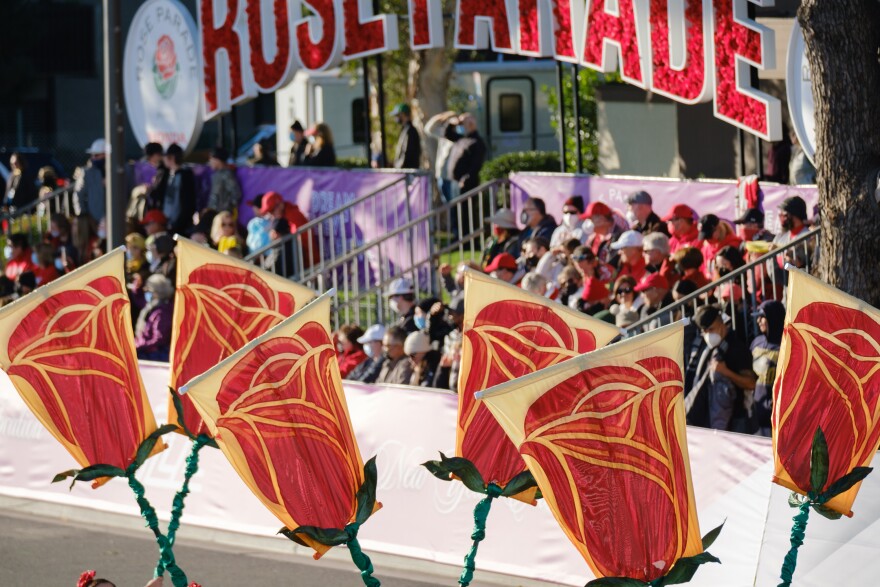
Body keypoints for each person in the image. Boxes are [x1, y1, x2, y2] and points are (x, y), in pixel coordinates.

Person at [687, 305, 756, 432]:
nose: (708, 335)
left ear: (721, 324)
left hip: (737, 420)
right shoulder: (707, 349)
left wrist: (726, 372)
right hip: (711, 420)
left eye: (711, 329)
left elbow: (751, 383)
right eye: (705, 331)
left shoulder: (737, 348)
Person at [750, 300, 785, 436]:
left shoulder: (786, 345)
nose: (758, 321)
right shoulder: (756, 342)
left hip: (776, 421)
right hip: (755, 417)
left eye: (762, 317)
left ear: (773, 317)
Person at [260, 191, 317, 268]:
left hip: (309, 265)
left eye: (272, 210)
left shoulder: (293, 217)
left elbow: (304, 244)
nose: (271, 215)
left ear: (280, 205)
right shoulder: (284, 217)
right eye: (269, 212)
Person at [73, 139, 107, 262]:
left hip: (111, 218)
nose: (93, 158)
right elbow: (78, 194)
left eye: (97, 155)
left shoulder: (117, 170)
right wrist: (83, 213)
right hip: (92, 218)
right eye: (92, 155)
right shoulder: (86, 172)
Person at [134, 274, 175, 361]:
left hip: (154, 355)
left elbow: (158, 340)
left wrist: (138, 346)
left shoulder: (162, 313)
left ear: (157, 292)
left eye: (148, 289)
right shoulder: (152, 307)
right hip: (147, 350)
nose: (145, 291)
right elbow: (138, 300)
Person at [424, 111, 461, 204]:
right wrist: (441, 117)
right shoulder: (444, 134)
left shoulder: (458, 135)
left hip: (451, 176)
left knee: (453, 203)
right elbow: (428, 129)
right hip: (441, 174)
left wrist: (455, 121)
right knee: (447, 203)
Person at [447, 112, 486, 194]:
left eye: (462, 123)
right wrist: (452, 124)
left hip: (465, 185)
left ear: (471, 124)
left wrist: (466, 179)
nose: (460, 126)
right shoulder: (462, 138)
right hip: (455, 182)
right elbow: (447, 134)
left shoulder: (476, 142)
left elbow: (476, 165)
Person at [163, 144, 196, 236]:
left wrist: (179, 222)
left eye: (165, 157)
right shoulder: (168, 174)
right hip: (168, 221)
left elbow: (187, 202)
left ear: (172, 158)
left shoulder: (185, 175)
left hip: (180, 224)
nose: (163, 159)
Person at [698, 214, 741, 279]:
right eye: (705, 237)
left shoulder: (733, 244)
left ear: (718, 229)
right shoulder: (706, 249)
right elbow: (703, 270)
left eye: (709, 235)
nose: (707, 239)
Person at [207, 147, 241, 214]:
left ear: (217, 160)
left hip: (222, 214)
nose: (210, 162)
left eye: (211, 159)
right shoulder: (217, 174)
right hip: (213, 212)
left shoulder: (227, 175)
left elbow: (236, 194)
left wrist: (226, 209)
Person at [390, 103, 422, 169]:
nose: (396, 118)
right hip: (406, 170)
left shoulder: (410, 131)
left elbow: (407, 152)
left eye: (397, 115)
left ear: (402, 114)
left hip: (408, 170)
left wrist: (400, 166)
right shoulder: (405, 129)